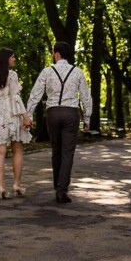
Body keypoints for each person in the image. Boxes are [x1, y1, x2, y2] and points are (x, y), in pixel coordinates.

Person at [27, 41, 92, 204]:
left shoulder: (47, 71)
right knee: (67, 152)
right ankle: (62, 190)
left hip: (53, 113)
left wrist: (29, 114)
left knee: (56, 150)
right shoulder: (77, 72)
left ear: (56, 54)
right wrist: (87, 117)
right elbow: (85, 96)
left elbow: (35, 94)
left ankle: (57, 186)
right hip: (71, 113)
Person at [0, 48, 33, 199]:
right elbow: (15, 98)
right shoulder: (12, 75)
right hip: (12, 115)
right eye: (12, 57)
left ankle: (1, 186)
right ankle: (17, 184)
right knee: (17, 150)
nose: (14, 59)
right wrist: (26, 116)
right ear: (6, 59)